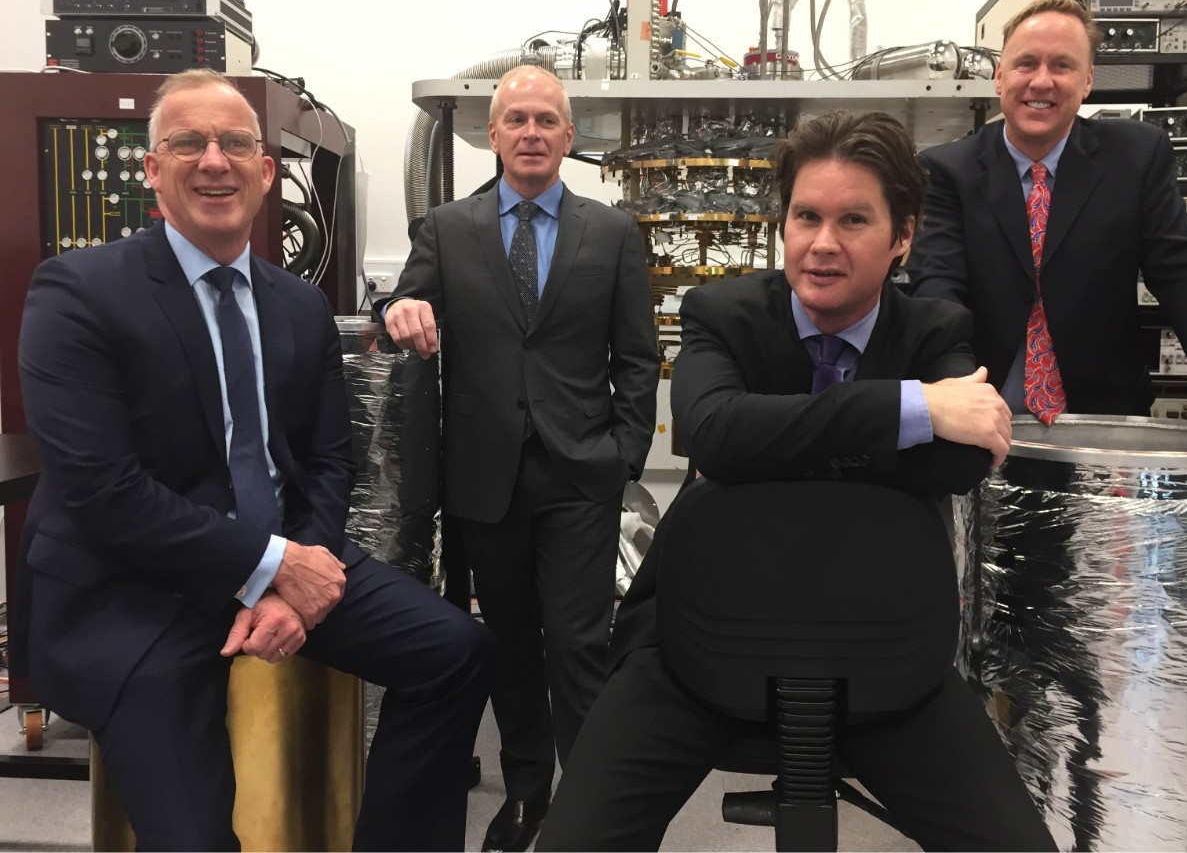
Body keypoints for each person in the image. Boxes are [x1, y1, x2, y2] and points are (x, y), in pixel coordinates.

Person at [536, 110, 1055, 851]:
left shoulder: (933, 329)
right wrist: (909, 408)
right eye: (805, 217)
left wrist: (775, 439)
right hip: (697, 631)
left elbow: (963, 458)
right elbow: (713, 431)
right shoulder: (724, 314)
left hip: (885, 641)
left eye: (854, 220)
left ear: (902, 235)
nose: (822, 244)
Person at [11, 69, 495, 852]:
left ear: (267, 173)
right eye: (189, 143)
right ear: (151, 170)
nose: (214, 160)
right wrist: (272, 566)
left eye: (237, 143)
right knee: (194, 835)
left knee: (456, 652)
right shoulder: (79, 293)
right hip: (137, 586)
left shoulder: (295, 302)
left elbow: (327, 460)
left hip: (282, 552)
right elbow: (107, 495)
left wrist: (296, 580)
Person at [382, 65, 659, 852]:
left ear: (569, 137)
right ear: (493, 134)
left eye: (547, 120)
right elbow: (406, 302)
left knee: (577, 644)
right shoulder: (446, 228)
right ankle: (529, 797)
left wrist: (623, 454)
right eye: (517, 120)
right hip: (483, 473)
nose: (531, 133)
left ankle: (591, 808)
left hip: (581, 471)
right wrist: (396, 308)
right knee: (507, 642)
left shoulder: (609, 231)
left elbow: (637, 358)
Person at [908, 0, 1187, 446]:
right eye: (1026, 64)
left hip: (1103, 423)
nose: (1041, 81)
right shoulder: (947, 170)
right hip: (983, 417)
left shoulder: (1138, 157)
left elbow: (1183, 275)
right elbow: (939, 290)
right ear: (1000, 76)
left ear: (1087, 81)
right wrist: (958, 393)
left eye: (1062, 66)